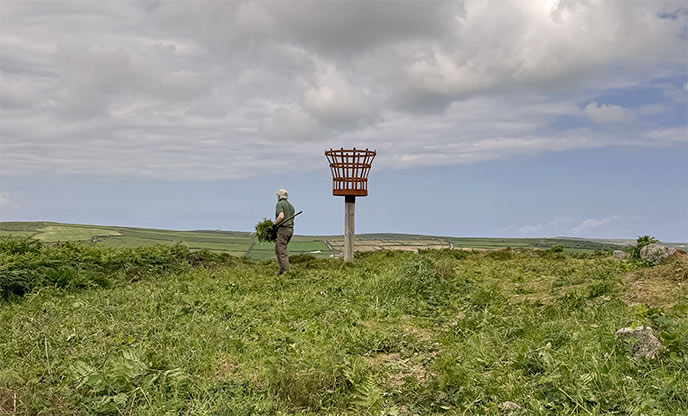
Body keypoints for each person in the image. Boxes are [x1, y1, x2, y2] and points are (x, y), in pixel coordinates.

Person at [274, 188, 295, 275]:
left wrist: (275, 223)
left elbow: (281, 216)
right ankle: (281, 270)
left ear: (279, 196)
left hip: (283, 229)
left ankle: (286, 272)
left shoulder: (280, 204)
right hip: (290, 230)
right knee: (278, 249)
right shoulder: (291, 206)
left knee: (282, 251)